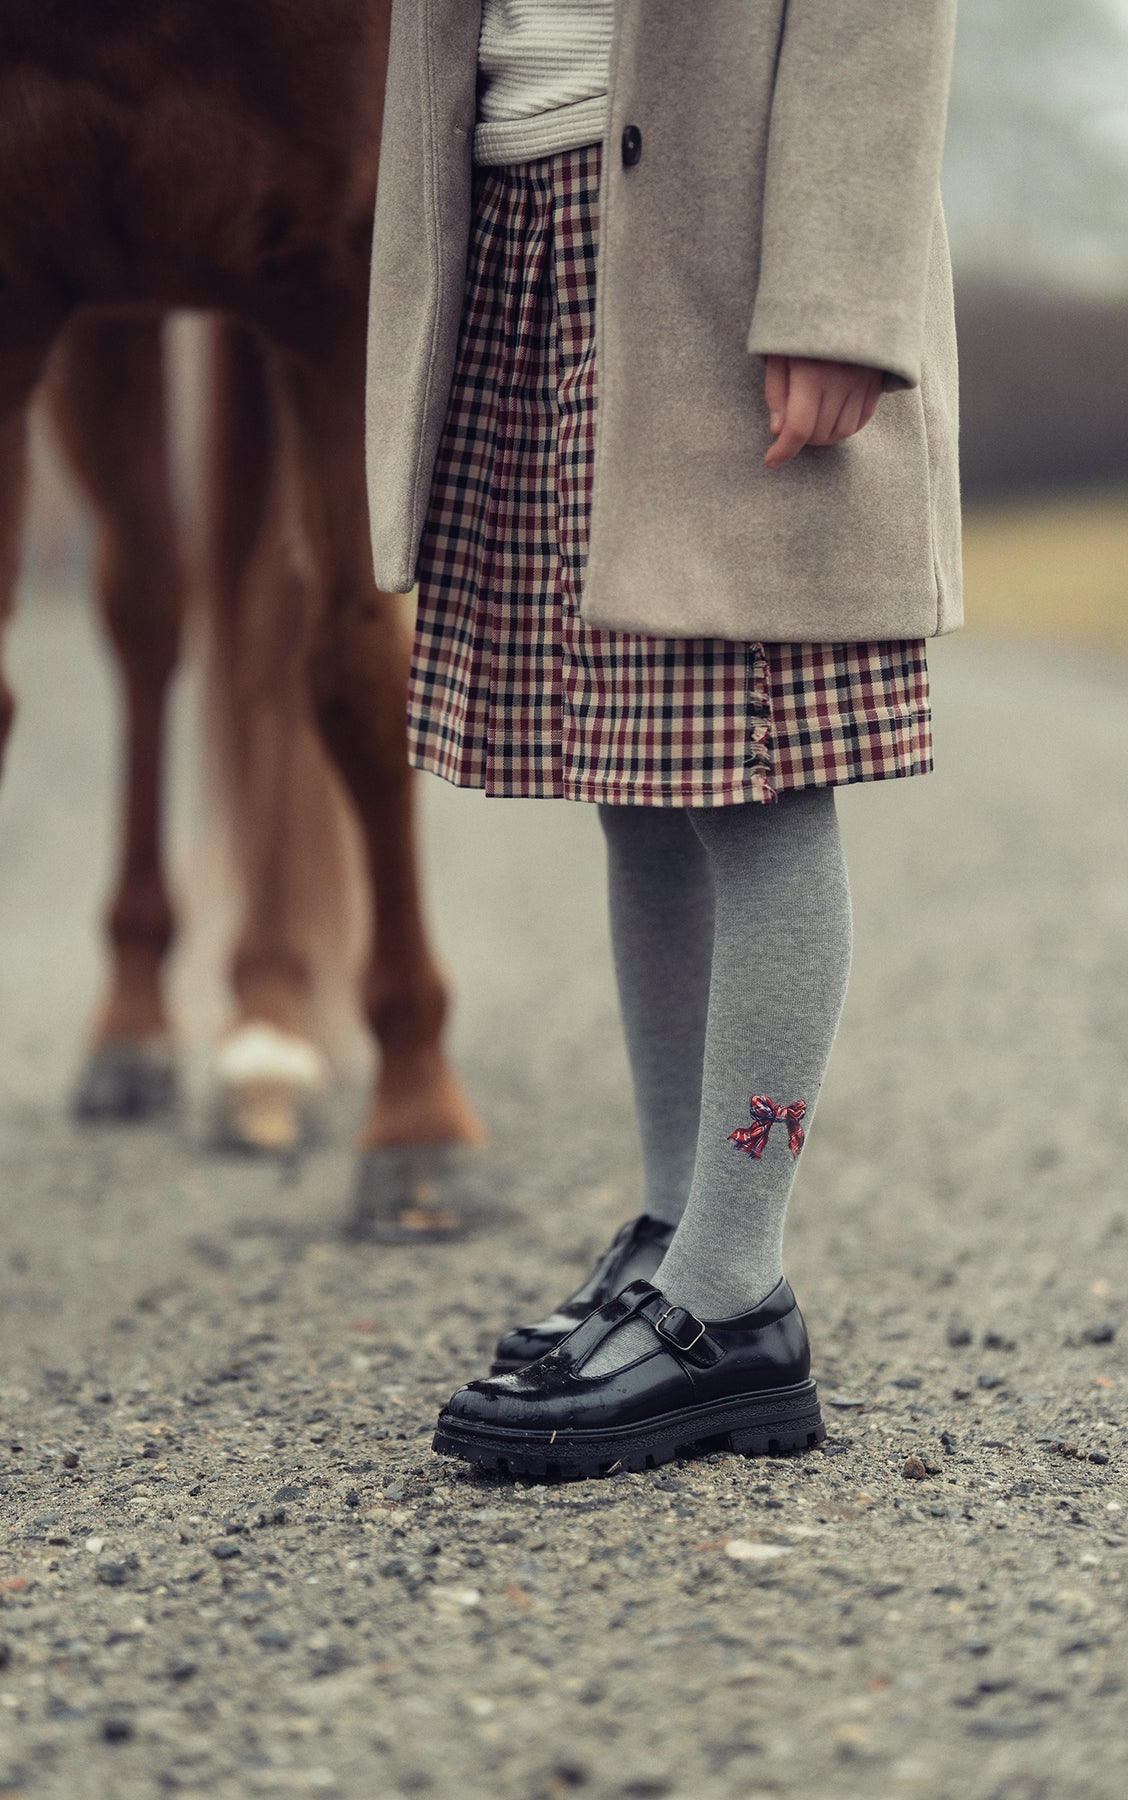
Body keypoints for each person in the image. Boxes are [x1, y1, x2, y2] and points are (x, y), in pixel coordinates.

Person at [364, 0, 961, 1479]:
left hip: (724, 240)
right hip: (521, 217)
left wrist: (839, 298)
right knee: (638, 775)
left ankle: (732, 1291)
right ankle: (675, 1231)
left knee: (754, 774)